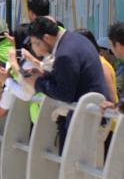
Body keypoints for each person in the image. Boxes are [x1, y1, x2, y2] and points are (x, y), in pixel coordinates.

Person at [23, 17, 112, 149]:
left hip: (86, 120)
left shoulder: (65, 54)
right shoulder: (75, 40)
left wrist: (37, 83)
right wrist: (44, 74)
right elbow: (70, 76)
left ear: (46, 38)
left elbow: (64, 93)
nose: (35, 50)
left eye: (35, 44)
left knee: (74, 168)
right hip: (93, 115)